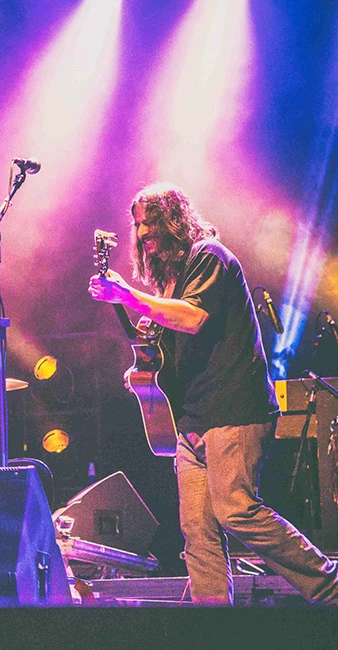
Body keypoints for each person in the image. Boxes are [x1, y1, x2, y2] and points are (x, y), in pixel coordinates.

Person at [88, 182, 338, 605]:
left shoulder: (210, 258)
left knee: (236, 509)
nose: (143, 233)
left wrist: (130, 297)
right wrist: (141, 370)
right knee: (198, 531)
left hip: (234, 408)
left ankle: (329, 587)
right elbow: (166, 348)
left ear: (175, 220)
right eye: (137, 226)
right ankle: (213, 626)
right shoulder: (168, 283)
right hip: (192, 420)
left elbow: (193, 319)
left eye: (151, 222)